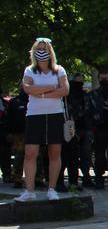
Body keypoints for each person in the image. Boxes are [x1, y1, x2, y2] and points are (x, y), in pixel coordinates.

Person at [15, 38, 69, 202]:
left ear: (50, 51)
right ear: (33, 51)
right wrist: (53, 87)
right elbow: (28, 89)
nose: (41, 51)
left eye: (44, 48)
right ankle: (29, 191)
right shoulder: (29, 70)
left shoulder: (59, 70)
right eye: (38, 48)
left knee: (54, 153)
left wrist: (42, 93)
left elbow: (65, 90)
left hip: (55, 115)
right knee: (30, 153)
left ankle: (52, 189)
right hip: (34, 116)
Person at [58, 73, 87, 191]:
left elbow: (79, 113)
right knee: (61, 158)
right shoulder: (55, 98)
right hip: (58, 130)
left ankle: (73, 182)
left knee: (73, 157)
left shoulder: (71, 98)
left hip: (70, 128)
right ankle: (58, 183)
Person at [6, 89, 28, 188]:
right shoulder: (14, 102)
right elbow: (9, 118)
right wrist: (9, 132)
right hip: (19, 133)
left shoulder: (35, 99)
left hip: (34, 132)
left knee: (38, 156)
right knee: (19, 156)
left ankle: (37, 178)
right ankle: (17, 179)